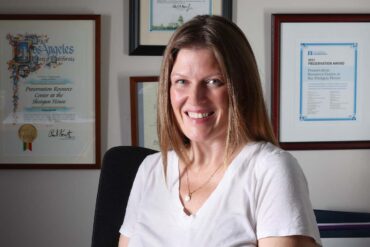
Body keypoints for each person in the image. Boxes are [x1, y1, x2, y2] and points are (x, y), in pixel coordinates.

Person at [118, 15, 322, 247]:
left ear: (241, 88)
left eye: (213, 82)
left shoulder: (269, 170)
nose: (195, 99)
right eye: (182, 81)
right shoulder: (151, 170)